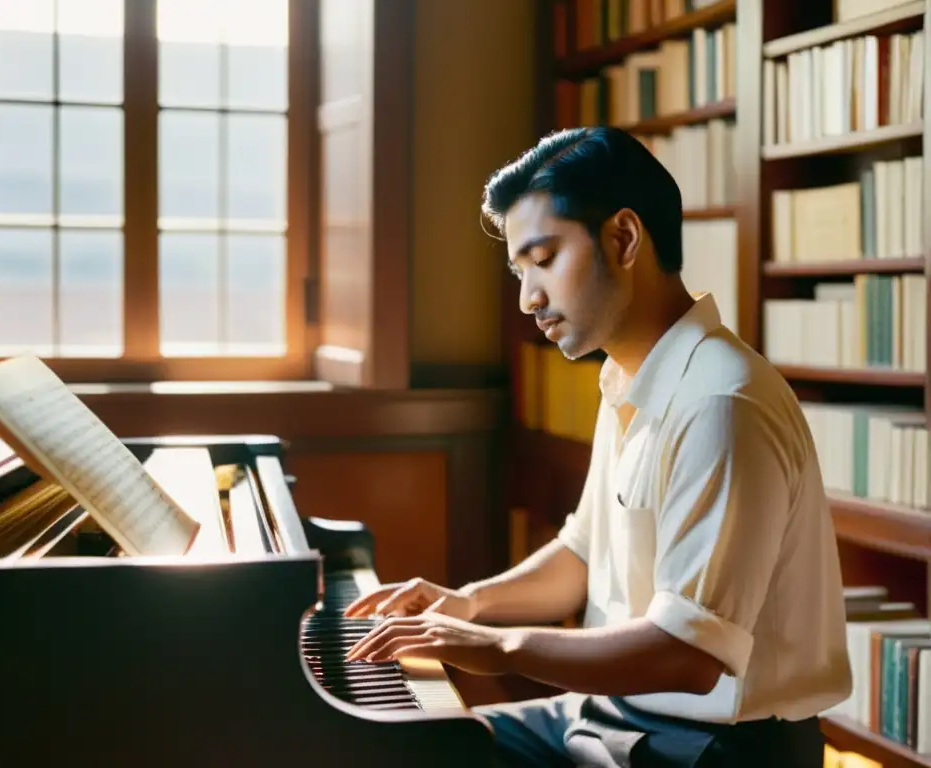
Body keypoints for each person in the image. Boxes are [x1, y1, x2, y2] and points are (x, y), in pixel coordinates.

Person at [342, 126, 852, 767]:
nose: (529, 299)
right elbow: (584, 555)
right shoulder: (627, 377)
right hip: (611, 714)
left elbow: (688, 654)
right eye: (520, 271)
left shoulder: (722, 403)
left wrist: (490, 646)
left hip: (710, 749)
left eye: (545, 259)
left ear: (624, 238)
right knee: (410, 753)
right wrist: (469, 601)